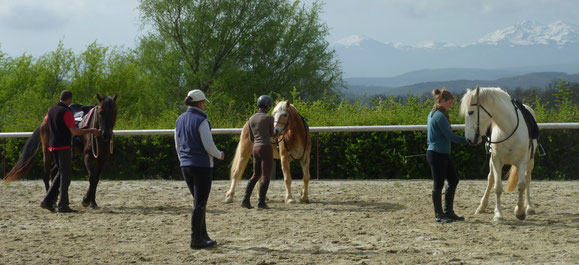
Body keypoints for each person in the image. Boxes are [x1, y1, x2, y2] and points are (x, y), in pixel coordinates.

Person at [175, 89, 224, 249]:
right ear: (200, 103)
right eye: (204, 103)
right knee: (200, 203)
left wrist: (182, 159)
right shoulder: (202, 120)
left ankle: (203, 235)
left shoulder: (179, 119)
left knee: (198, 202)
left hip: (185, 165)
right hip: (201, 166)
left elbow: (177, 144)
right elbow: (208, 145)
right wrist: (219, 155)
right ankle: (196, 239)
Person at [40, 90, 101, 213]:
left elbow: (47, 123)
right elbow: (75, 132)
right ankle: (63, 205)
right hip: (63, 147)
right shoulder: (67, 112)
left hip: (53, 146)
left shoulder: (50, 110)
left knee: (60, 174)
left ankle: (47, 201)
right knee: (66, 176)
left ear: (60, 98)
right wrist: (91, 130)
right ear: (70, 100)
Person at [426, 88, 467, 223]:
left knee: (453, 180)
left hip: (440, 153)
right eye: (449, 102)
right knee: (438, 184)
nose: (451, 105)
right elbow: (450, 136)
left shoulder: (433, 113)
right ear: (442, 100)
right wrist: (468, 141)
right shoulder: (440, 116)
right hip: (438, 154)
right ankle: (439, 214)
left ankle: (448, 212)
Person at [241, 95, 274, 209]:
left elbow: (251, 137)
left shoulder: (251, 119)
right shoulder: (269, 118)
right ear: (268, 106)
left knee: (256, 174)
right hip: (266, 148)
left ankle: (245, 200)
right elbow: (272, 134)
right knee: (266, 176)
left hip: (256, 148)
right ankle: (261, 202)